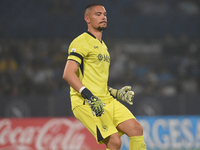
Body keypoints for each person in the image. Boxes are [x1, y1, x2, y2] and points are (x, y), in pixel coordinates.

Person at [63, 3, 146, 150]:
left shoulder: (103, 46)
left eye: (105, 15)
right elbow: (68, 74)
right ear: (87, 18)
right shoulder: (81, 42)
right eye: (98, 14)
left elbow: (96, 81)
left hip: (106, 99)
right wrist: (89, 96)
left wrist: (116, 93)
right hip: (86, 102)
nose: (103, 17)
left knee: (136, 129)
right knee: (114, 142)